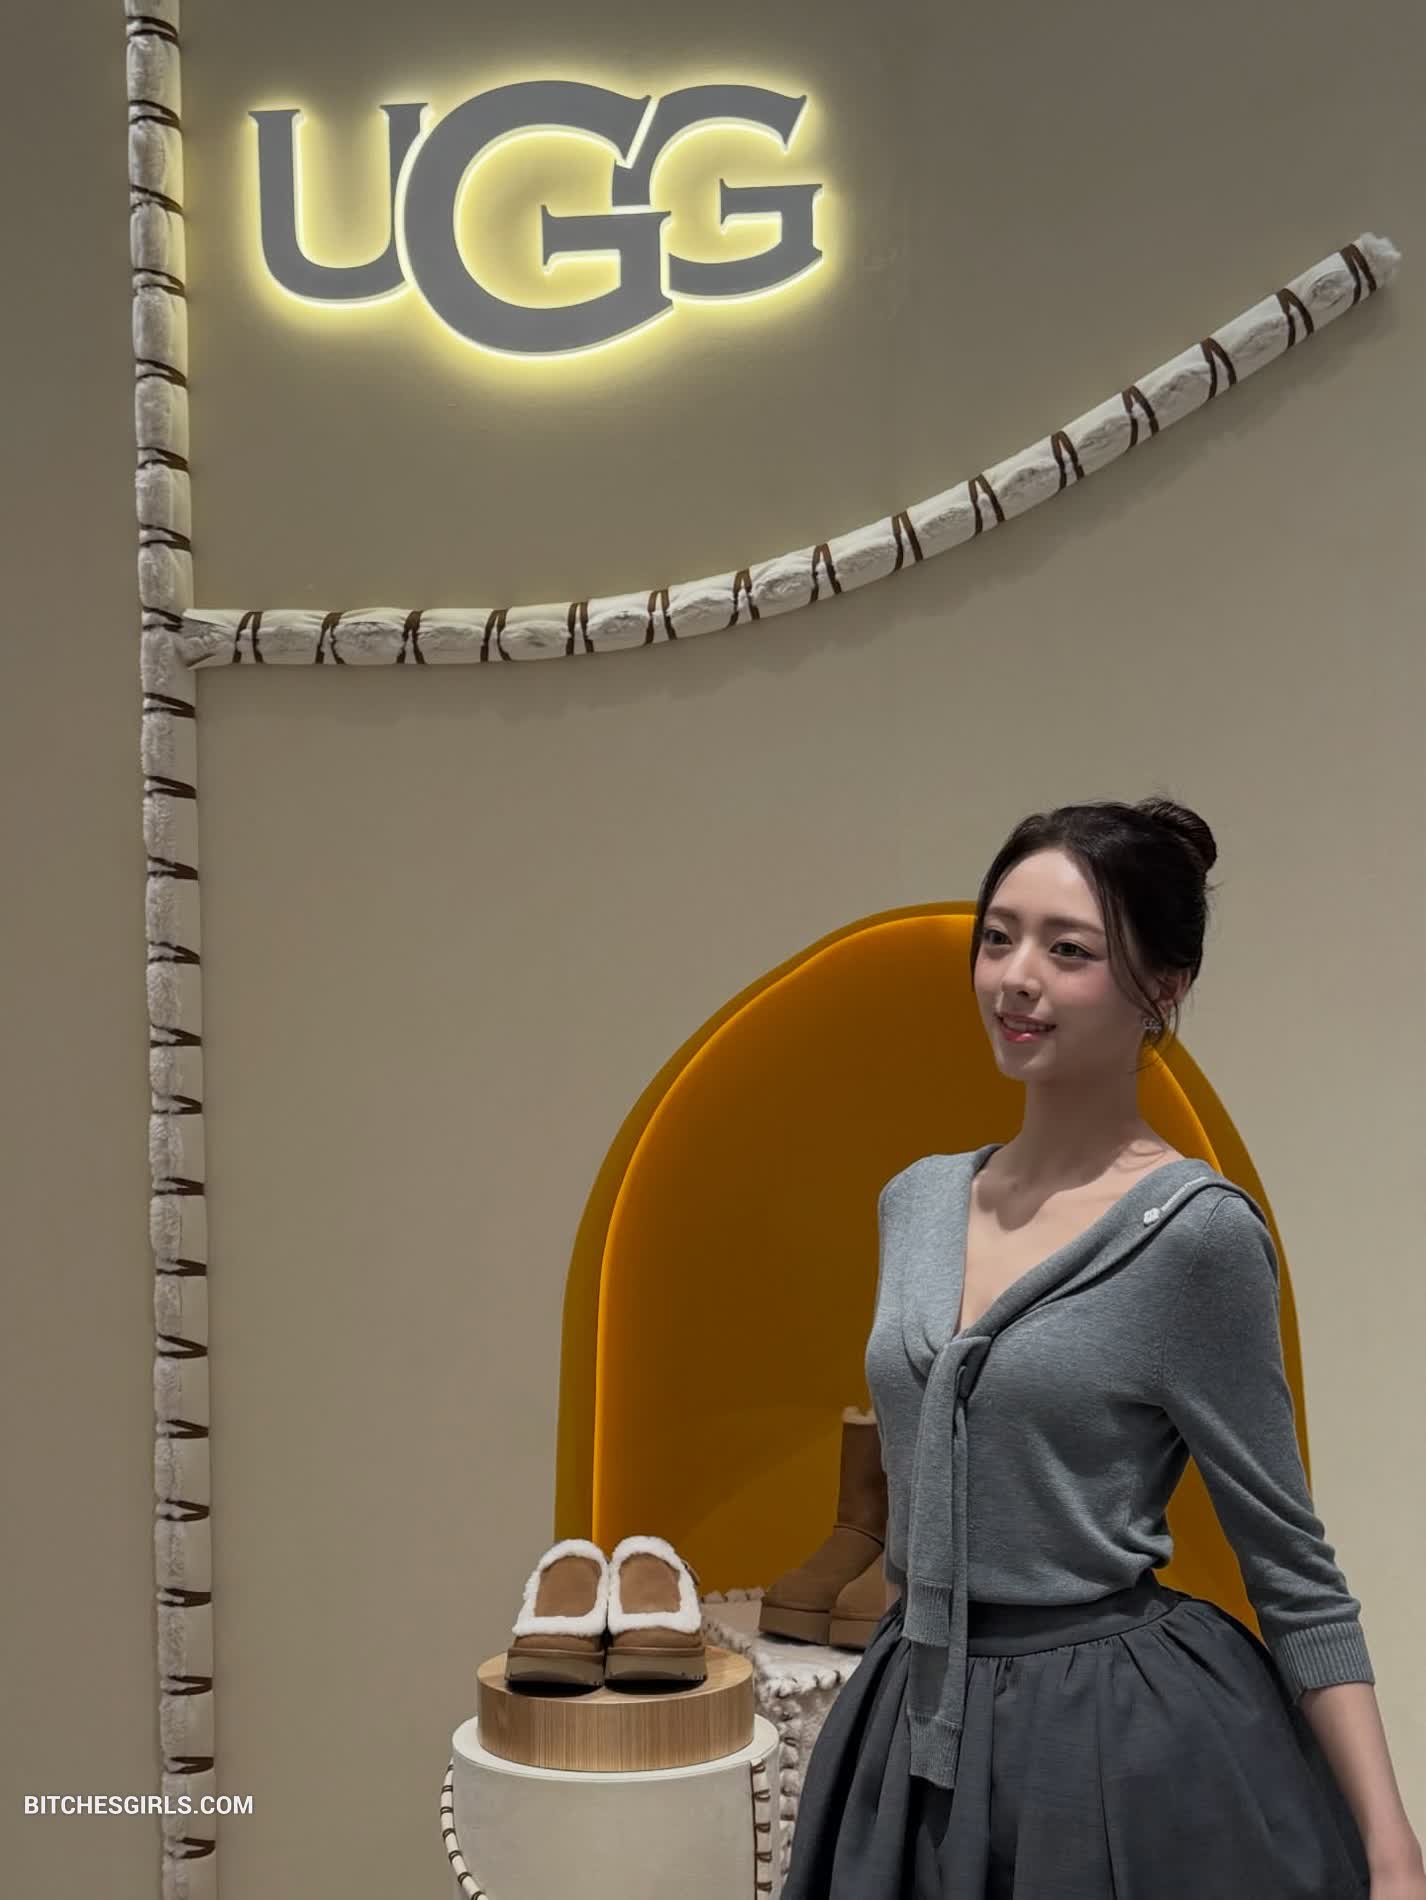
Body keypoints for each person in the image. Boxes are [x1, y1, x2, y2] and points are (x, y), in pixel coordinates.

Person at [779, 797, 1415, 1899]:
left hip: (1101, 1743)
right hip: (906, 1718)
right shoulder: (915, 1203)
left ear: (1161, 988)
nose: (1015, 977)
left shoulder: (1196, 1238)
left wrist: (1392, 1851)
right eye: (997, 937)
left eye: (1068, 950)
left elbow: (1291, 1567)